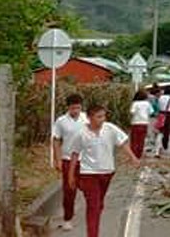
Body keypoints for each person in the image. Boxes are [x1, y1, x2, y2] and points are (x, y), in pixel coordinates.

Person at [68, 104, 141, 237]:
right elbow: (74, 154)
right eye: (99, 116)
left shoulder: (110, 128)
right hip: (89, 174)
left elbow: (123, 142)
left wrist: (133, 157)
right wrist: (70, 175)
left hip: (107, 172)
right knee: (93, 206)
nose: (102, 119)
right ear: (89, 118)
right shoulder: (80, 133)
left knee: (99, 203)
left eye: (104, 116)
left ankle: (96, 214)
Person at [52, 94, 88, 231]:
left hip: (86, 160)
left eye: (78, 108)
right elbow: (56, 140)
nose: (76, 111)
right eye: (73, 108)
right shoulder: (61, 121)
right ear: (68, 107)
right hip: (68, 160)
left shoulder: (87, 119)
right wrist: (57, 159)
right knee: (69, 191)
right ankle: (68, 218)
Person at [154, 87, 170, 159]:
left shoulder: (160, 98)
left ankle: (157, 152)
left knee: (160, 134)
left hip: (161, 116)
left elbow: (159, 107)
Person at [129, 89, 153, 158]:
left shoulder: (135, 103)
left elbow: (132, 112)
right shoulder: (147, 103)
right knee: (141, 140)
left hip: (135, 123)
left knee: (134, 140)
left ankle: (134, 155)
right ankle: (139, 154)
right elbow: (151, 112)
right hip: (145, 123)